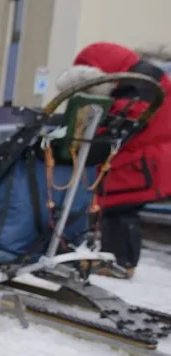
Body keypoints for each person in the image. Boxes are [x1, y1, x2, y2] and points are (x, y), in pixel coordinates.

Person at [63, 42, 171, 278]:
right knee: (113, 206)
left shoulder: (142, 83)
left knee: (119, 206)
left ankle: (121, 263)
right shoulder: (141, 78)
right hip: (142, 158)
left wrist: (96, 122)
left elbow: (128, 117)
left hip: (144, 160)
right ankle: (117, 260)